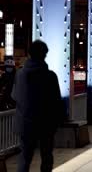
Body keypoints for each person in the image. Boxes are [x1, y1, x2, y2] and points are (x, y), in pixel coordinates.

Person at [11, 40, 65, 172]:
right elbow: (56, 101)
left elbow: (14, 96)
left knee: (24, 158)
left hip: (25, 123)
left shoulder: (20, 74)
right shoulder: (50, 76)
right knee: (46, 157)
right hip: (46, 124)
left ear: (29, 54)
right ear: (44, 55)